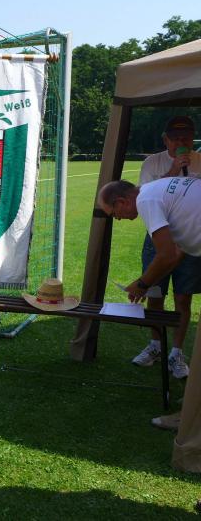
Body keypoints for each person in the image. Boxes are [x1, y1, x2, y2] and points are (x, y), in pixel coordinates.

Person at [98, 177, 201, 472]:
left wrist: (142, 284)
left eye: (114, 214)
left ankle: (191, 420)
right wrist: (146, 283)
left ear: (121, 202)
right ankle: (190, 414)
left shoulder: (147, 200)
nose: (119, 219)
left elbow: (167, 254)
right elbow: (177, 254)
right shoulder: (159, 191)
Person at [132, 116, 201, 379]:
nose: (181, 141)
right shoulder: (153, 162)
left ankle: (176, 353)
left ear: (193, 137)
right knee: (155, 293)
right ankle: (155, 345)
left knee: (184, 297)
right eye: (175, 137)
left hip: (190, 239)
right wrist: (174, 168)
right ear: (165, 139)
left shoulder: (200, 160)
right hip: (158, 236)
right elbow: (145, 194)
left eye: (186, 137)